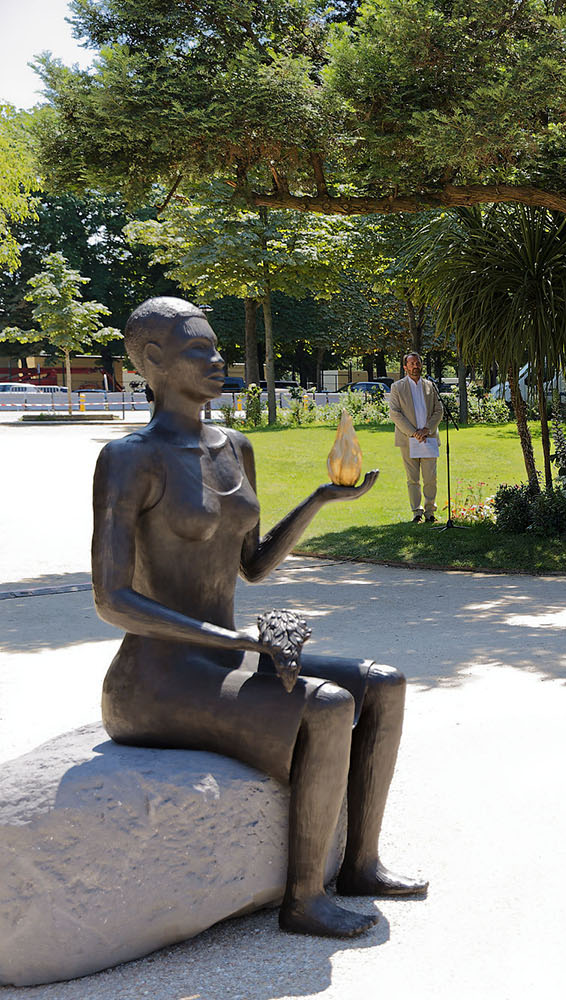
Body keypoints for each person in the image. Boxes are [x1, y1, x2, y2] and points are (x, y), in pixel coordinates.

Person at [92, 297, 425, 939]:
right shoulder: (130, 457)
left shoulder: (234, 447)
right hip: (155, 682)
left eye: (217, 347)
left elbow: (252, 565)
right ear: (153, 360)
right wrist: (236, 637)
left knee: (382, 681)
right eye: (198, 350)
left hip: (222, 659)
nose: (219, 360)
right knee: (324, 706)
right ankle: (303, 900)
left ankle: (361, 863)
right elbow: (112, 600)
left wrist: (321, 499)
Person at [389, 352, 444, 523]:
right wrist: (414, 432)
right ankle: (416, 513)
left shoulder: (430, 386)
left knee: (430, 478)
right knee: (412, 479)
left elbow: (439, 410)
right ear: (405, 367)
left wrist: (427, 429)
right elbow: (394, 413)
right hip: (408, 440)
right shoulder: (397, 387)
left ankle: (430, 512)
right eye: (411, 363)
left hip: (429, 438)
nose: (415, 366)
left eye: (417, 363)